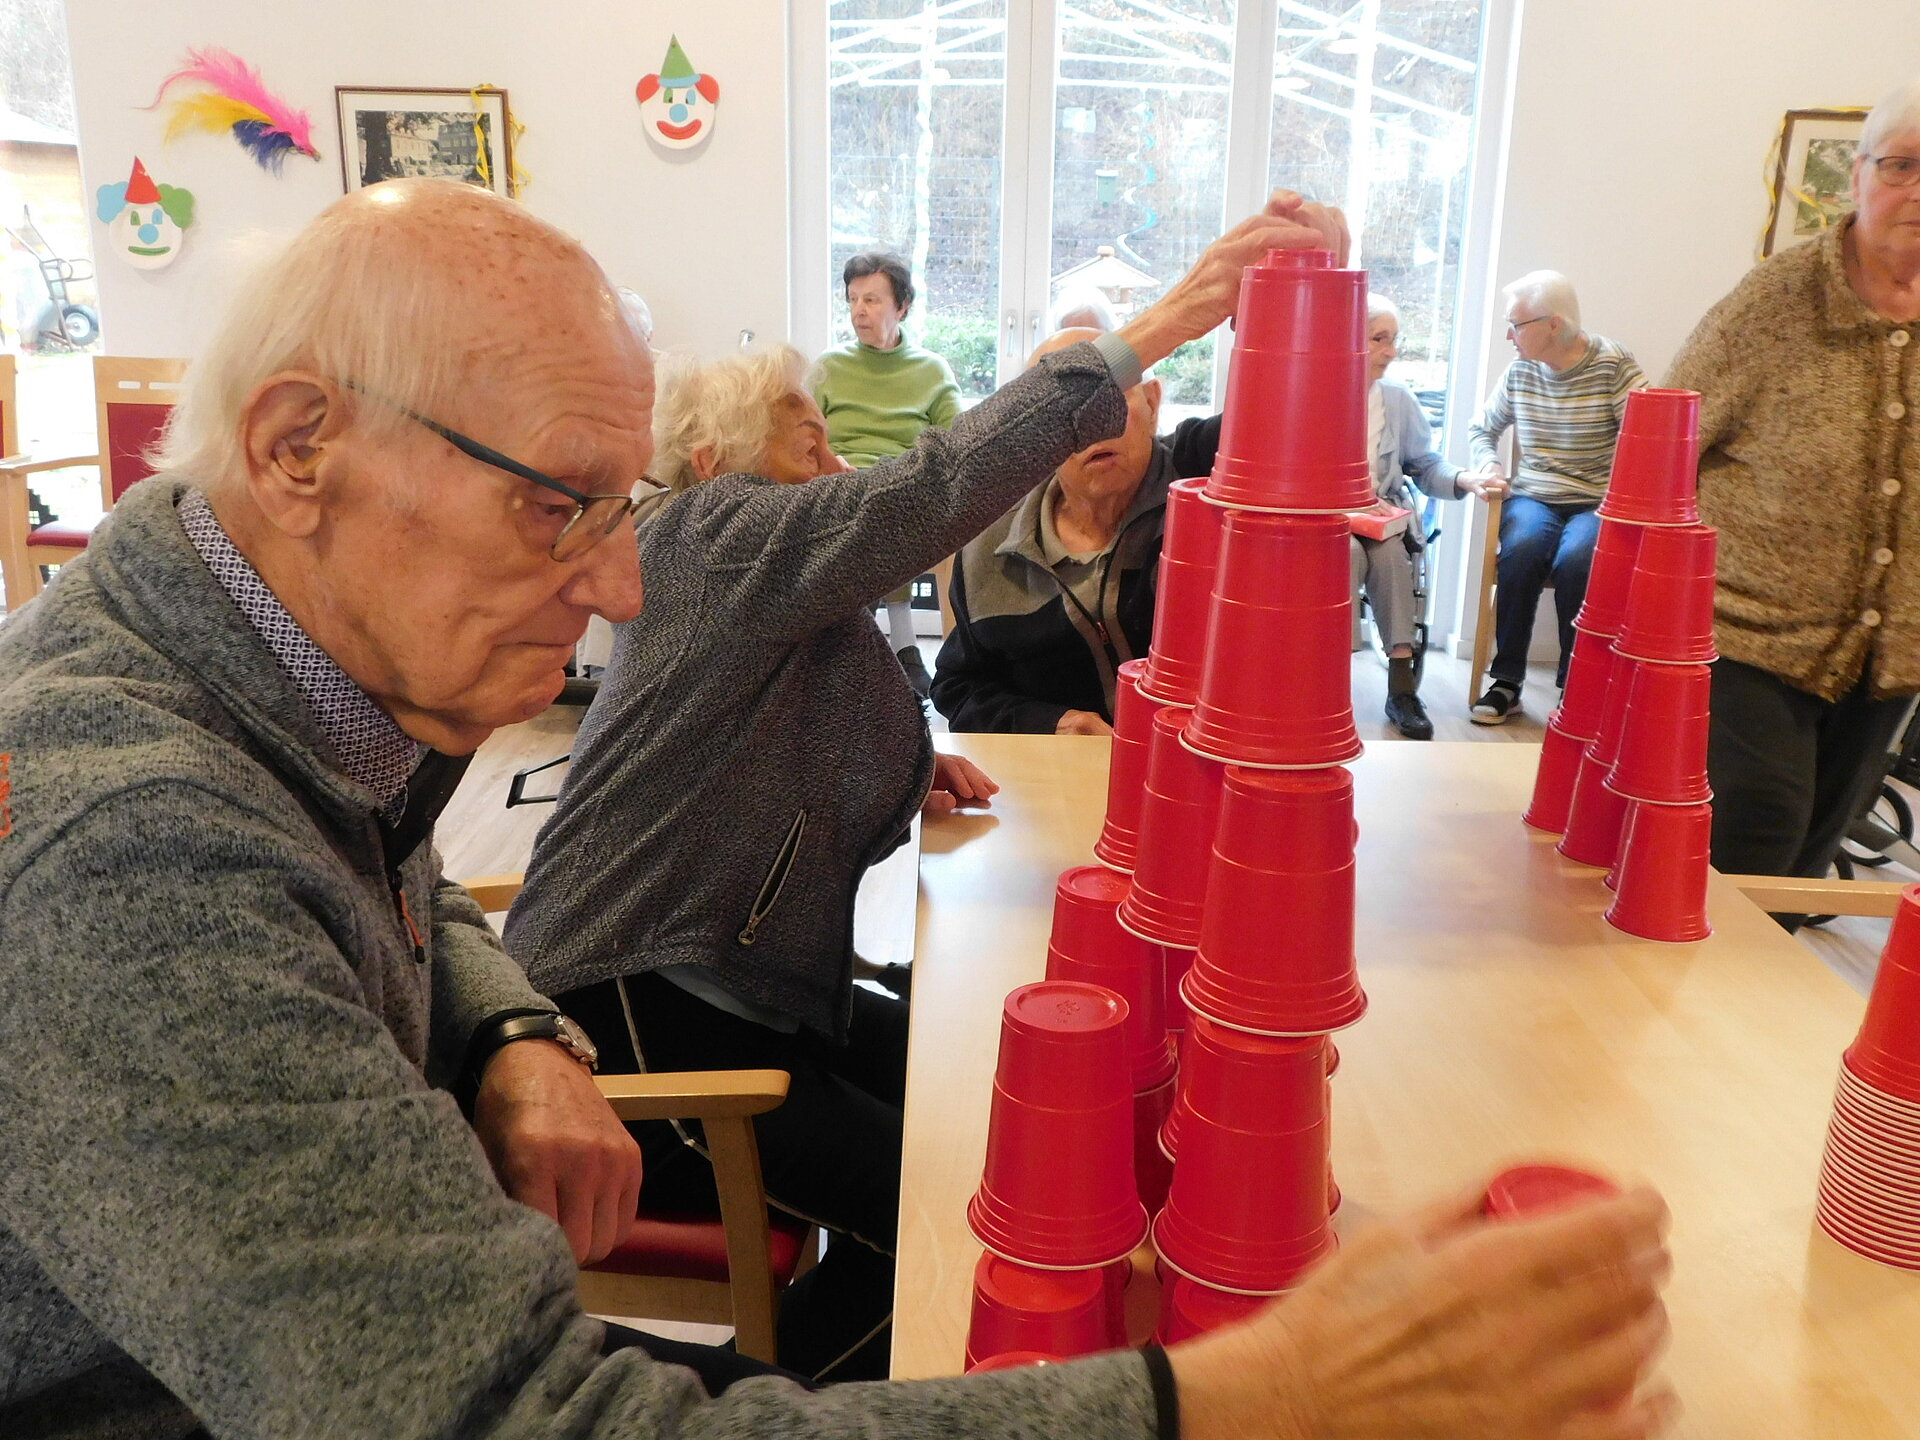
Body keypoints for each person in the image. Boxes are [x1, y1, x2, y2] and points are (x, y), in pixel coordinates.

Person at [0, 178, 1680, 1440]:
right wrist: (1255, 1401)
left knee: (960, 1156)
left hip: (587, 1079)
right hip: (597, 1070)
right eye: (559, 508)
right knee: (953, 1215)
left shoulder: (278, 684)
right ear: (298, 447)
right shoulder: (132, 858)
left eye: (617, 507)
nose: (612, 585)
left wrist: (506, 1031)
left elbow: (397, 862)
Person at [515, 342, 979, 1382]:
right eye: (807, 439)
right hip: (634, 1024)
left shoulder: (734, 573)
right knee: (947, 1210)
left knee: (963, 1078)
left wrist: (911, 769)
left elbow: (770, 740)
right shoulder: (718, 529)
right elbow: (933, 491)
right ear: (714, 461)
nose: (835, 460)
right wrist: (1129, 349)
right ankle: (752, 1414)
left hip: (739, 995)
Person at [1667, 76, 1920, 910]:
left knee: (1807, 860)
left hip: (1891, 655)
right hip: (1749, 635)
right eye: (1903, 166)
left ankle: (1756, 983)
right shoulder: (1777, 300)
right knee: (1755, 836)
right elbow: (1664, 440)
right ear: (1859, 174)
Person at [930, 328, 1224, 735]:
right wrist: (1052, 723)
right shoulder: (990, 544)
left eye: (1110, 396)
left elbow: (1296, 414)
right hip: (1071, 768)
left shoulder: (1206, 472)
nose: (1093, 426)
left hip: (1212, 757)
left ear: (1152, 403)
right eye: (1062, 410)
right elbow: (959, 686)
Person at [1466, 270, 1644, 724]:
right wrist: (1490, 465)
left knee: (1579, 559)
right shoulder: (1521, 370)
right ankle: (1506, 682)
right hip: (1535, 497)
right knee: (1523, 550)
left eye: (1516, 325)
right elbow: (1482, 428)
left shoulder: (1613, 365)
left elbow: (1645, 438)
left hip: (1596, 501)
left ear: (1554, 325)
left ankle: (1576, 686)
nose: (1509, 336)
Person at [811, 251, 963, 694]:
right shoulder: (828, 367)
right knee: (864, 508)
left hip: (904, 483)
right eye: (853, 299)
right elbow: (800, 437)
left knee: (889, 505)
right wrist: (833, 466)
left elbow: (958, 436)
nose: (859, 310)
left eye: (872, 300)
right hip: (840, 482)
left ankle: (877, 645)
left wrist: (912, 472)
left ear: (902, 306)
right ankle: (904, 644)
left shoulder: (930, 370)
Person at [1357, 295, 1501, 740]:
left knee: (1391, 558)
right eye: (1379, 339)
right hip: (1325, 520)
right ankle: (1319, 681)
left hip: (1378, 518)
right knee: (1347, 555)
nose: (1391, 351)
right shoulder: (1311, 390)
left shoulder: (1396, 400)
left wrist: (1464, 479)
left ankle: (1402, 690)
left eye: (1394, 339)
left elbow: (1423, 464)